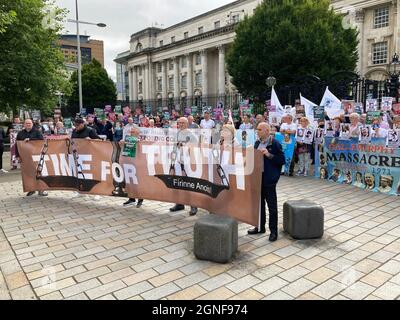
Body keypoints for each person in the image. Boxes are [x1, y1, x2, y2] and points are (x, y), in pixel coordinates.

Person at [248, 122, 285, 242]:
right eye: (257, 129)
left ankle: (273, 231)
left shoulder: (275, 143)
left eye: (259, 129)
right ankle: (259, 227)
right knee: (259, 205)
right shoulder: (257, 143)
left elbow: (282, 160)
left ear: (267, 131)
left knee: (272, 206)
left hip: (269, 179)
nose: (257, 131)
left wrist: (268, 154)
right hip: (258, 178)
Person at [169, 117, 198, 216]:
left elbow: (196, 146)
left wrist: (185, 146)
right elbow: (174, 146)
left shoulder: (191, 134)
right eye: (179, 123)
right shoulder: (177, 133)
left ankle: (193, 205)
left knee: (189, 183)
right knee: (178, 182)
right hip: (178, 161)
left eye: (182, 123)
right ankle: (179, 203)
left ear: (187, 124)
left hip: (187, 162)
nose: (180, 124)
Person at [71, 117, 101, 199]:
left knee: (92, 174)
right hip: (78, 155)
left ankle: (96, 193)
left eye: (77, 125)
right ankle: (81, 191)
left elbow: (99, 141)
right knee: (80, 174)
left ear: (82, 124)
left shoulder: (90, 130)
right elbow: (72, 141)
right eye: (75, 125)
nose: (76, 127)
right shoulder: (74, 131)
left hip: (89, 155)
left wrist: (90, 140)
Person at [16, 119, 47, 196]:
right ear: (24, 124)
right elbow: (17, 145)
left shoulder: (37, 132)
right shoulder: (20, 133)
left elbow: (42, 140)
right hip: (25, 157)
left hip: (36, 156)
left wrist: (30, 139)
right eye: (26, 123)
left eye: (29, 123)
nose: (28, 124)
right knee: (28, 173)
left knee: (39, 173)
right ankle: (31, 189)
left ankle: (41, 190)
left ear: (32, 124)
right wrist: (17, 155)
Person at [121, 124, 144, 208]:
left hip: (138, 164)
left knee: (138, 182)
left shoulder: (141, 140)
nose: (131, 132)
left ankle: (140, 199)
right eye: (130, 131)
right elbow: (123, 146)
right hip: (128, 162)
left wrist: (135, 142)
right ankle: (131, 199)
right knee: (129, 181)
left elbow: (141, 145)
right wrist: (122, 143)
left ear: (138, 132)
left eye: (133, 131)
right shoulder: (127, 138)